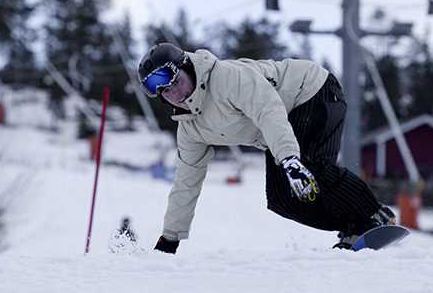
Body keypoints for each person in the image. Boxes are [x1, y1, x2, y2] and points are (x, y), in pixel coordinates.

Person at [137, 43, 396, 253]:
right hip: (283, 127)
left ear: (187, 67)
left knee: (309, 166)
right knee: (282, 200)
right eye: (164, 91)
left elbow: (269, 112)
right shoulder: (190, 128)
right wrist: (169, 240)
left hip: (312, 92)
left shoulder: (227, 78)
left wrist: (290, 159)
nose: (174, 94)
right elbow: (186, 182)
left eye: (175, 82)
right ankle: (355, 228)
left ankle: (372, 215)